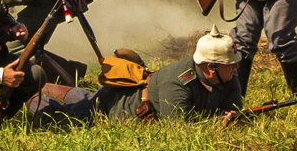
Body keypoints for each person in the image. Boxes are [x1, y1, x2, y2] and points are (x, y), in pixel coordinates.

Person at [32, 27, 243, 125]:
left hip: (113, 97)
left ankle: (52, 90)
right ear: (210, 67)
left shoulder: (227, 78)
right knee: (63, 118)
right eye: (230, 64)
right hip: (112, 108)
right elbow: (179, 130)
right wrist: (218, 124)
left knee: (84, 98)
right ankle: (31, 98)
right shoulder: (178, 82)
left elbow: (235, 112)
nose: (236, 67)